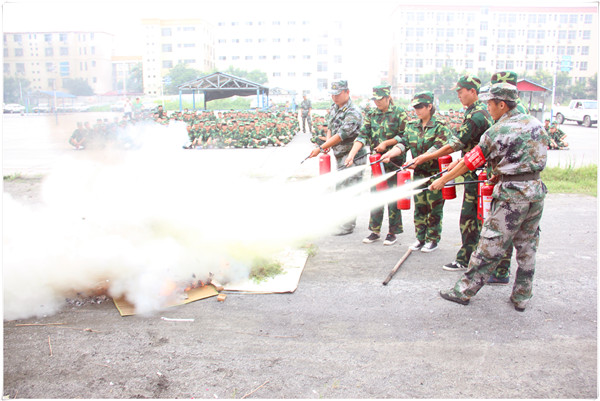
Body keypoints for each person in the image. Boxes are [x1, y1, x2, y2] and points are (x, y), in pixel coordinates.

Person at [432, 82, 548, 311]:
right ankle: (522, 296)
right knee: (527, 246)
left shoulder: (497, 131)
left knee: (490, 244)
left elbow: (469, 161)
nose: (488, 107)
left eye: (490, 103)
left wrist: (444, 180)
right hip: (535, 192)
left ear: (502, 104)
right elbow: (532, 157)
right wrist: (503, 174)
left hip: (512, 198)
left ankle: (463, 291)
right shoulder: (534, 123)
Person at [408, 76, 493, 270]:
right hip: (473, 169)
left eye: (460, 91)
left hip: (477, 173)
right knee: (474, 217)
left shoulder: (477, 115)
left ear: (472, 91)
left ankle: (466, 260)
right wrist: (458, 161)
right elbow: (473, 147)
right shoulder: (473, 112)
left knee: (470, 218)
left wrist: (424, 158)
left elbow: (453, 145)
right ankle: (473, 258)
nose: (458, 95)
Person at [381, 91, 453, 252]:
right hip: (419, 173)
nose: (417, 110)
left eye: (420, 107)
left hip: (435, 174)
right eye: (415, 107)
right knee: (420, 207)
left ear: (429, 106)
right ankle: (420, 238)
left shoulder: (440, 126)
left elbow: (437, 148)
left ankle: (433, 239)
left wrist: (417, 159)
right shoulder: (412, 126)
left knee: (434, 207)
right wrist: (391, 153)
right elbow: (403, 144)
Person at [344, 84, 408, 246]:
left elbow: (404, 136)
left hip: (394, 162)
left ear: (388, 98)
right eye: (375, 100)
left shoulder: (399, 113)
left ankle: (392, 232)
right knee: (376, 194)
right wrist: (351, 155)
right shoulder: (372, 115)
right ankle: (375, 230)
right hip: (377, 163)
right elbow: (362, 136)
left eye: (380, 99)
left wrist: (386, 143)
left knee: (393, 196)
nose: (377, 103)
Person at [307, 80, 366, 236]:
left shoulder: (353, 111)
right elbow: (331, 128)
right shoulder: (334, 108)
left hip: (353, 156)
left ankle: (347, 225)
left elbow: (341, 135)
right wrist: (327, 145)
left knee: (350, 188)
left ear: (347, 92)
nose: (334, 97)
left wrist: (321, 148)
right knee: (340, 186)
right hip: (339, 154)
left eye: (338, 94)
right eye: (332, 94)